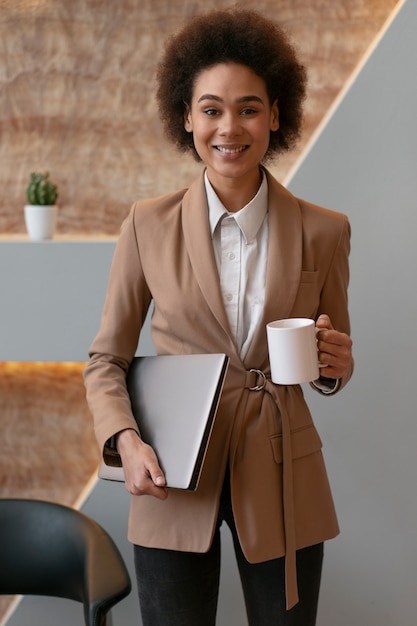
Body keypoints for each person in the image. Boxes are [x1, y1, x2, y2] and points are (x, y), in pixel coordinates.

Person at [84, 7, 353, 626]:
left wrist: (336, 365)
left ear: (275, 115)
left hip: (284, 468)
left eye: (249, 108)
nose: (229, 127)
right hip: (172, 469)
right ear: (186, 117)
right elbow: (107, 359)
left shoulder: (325, 231)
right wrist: (126, 442)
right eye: (211, 109)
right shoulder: (145, 225)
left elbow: (329, 354)